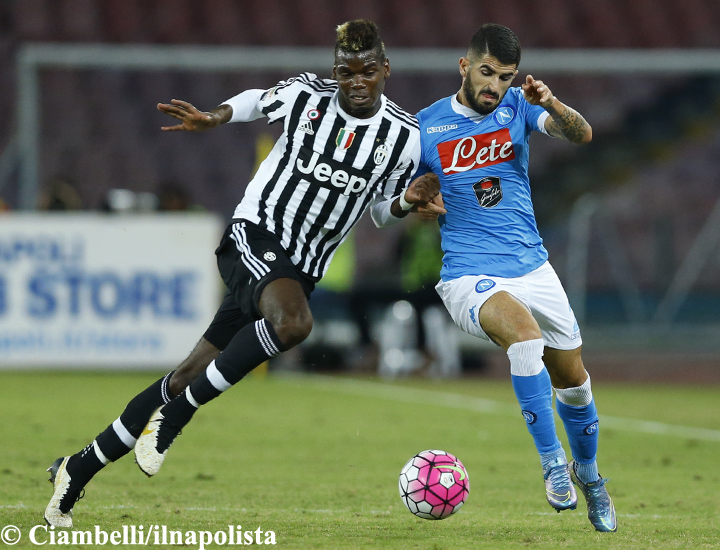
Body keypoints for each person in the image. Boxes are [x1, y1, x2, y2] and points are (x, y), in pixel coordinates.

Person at [44, 19, 444, 528]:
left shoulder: (403, 137)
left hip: (298, 268)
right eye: (346, 72)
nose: (357, 81)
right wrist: (217, 116)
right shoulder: (306, 96)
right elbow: (258, 100)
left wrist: (406, 202)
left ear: (385, 69)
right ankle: (179, 415)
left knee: (188, 373)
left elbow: (380, 210)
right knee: (294, 325)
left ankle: (75, 470)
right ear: (334, 71)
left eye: (368, 71)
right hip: (254, 237)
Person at [415, 24, 616, 532]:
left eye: (504, 77)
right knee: (524, 338)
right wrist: (408, 200)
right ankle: (552, 464)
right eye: (486, 74)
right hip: (468, 274)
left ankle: (589, 475)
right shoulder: (424, 127)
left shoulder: (519, 109)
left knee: (575, 384)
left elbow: (583, 135)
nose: (494, 87)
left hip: (532, 266)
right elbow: (380, 204)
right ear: (465, 66)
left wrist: (553, 102)